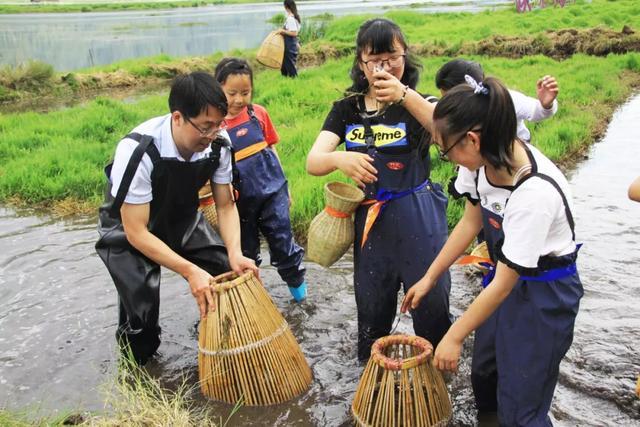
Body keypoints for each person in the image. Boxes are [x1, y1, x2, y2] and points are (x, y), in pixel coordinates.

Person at [400, 75, 583, 425]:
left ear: (471, 139)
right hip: (504, 276)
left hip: (544, 294)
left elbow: (503, 284)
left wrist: (453, 337)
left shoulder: (535, 193)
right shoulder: (480, 163)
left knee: (521, 407)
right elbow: (471, 223)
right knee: (485, 376)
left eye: (445, 148)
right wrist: (429, 277)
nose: (445, 155)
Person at [306, 18, 452, 362]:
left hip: (419, 219)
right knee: (372, 312)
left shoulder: (418, 102)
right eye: (375, 59)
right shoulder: (347, 108)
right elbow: (314, 160)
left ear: (406, 57)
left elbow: (447, 132)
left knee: (432, 308)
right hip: (371, 227)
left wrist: (404, 95)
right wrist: (340, 159)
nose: (384, 67)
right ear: (361, 63)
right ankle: (372, 384)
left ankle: (438, 384)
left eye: (393, 57)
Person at [95, 72, 258, 365]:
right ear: (179, 117)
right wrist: (189, 271)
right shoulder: (139, 150)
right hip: (127, 232)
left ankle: (225, 350)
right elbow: (136, 232)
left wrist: (235, 252)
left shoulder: (219, 143)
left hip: (181, 219)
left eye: (218, 125)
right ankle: (139, 375)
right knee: (142, 313)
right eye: (205, 127)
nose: (212, 136)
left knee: (227, 272)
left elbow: (225, 206)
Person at [214, 57, 307, 301]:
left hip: (272, 193)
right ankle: (255, 302)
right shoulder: (215, 126)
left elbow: (272, 152)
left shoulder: (258, 114)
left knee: (284, 244)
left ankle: (301, 298)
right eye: (231, 93)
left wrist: (285, 189)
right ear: (218, 89)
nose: (238, 99)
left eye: (245, 92)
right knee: (245, 253)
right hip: (239, 204)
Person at [435, 58, 559, 143]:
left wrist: (545, 105)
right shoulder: (453, 111)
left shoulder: (504, 99)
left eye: (450, 98)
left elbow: (534, 111)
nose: (447, 103)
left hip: (515, 158)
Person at [276, 0, 301, 78]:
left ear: (286, 7)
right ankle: (286, 80)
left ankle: (294, 81)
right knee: (285, 65)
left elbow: (294, 33)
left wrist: (282, 31)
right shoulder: (295, 17)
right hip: (290, 44)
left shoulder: (290, 18)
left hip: (289, 45)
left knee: (290, 65)